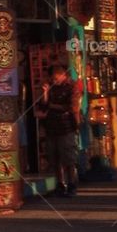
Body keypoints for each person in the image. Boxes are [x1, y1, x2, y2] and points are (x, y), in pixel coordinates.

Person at [38, 63, 79, 195]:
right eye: (52, 79)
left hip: (66, 127)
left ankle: (72, 183)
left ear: (63, 76)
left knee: (68, 157)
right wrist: (45, 93)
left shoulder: (71, 87)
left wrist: (52, 106)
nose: (54, 81)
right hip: (52, 126)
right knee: (54, 158)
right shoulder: (51, 88)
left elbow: (71, 107)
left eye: (56, 79)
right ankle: (60, 184)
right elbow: (43, 107)